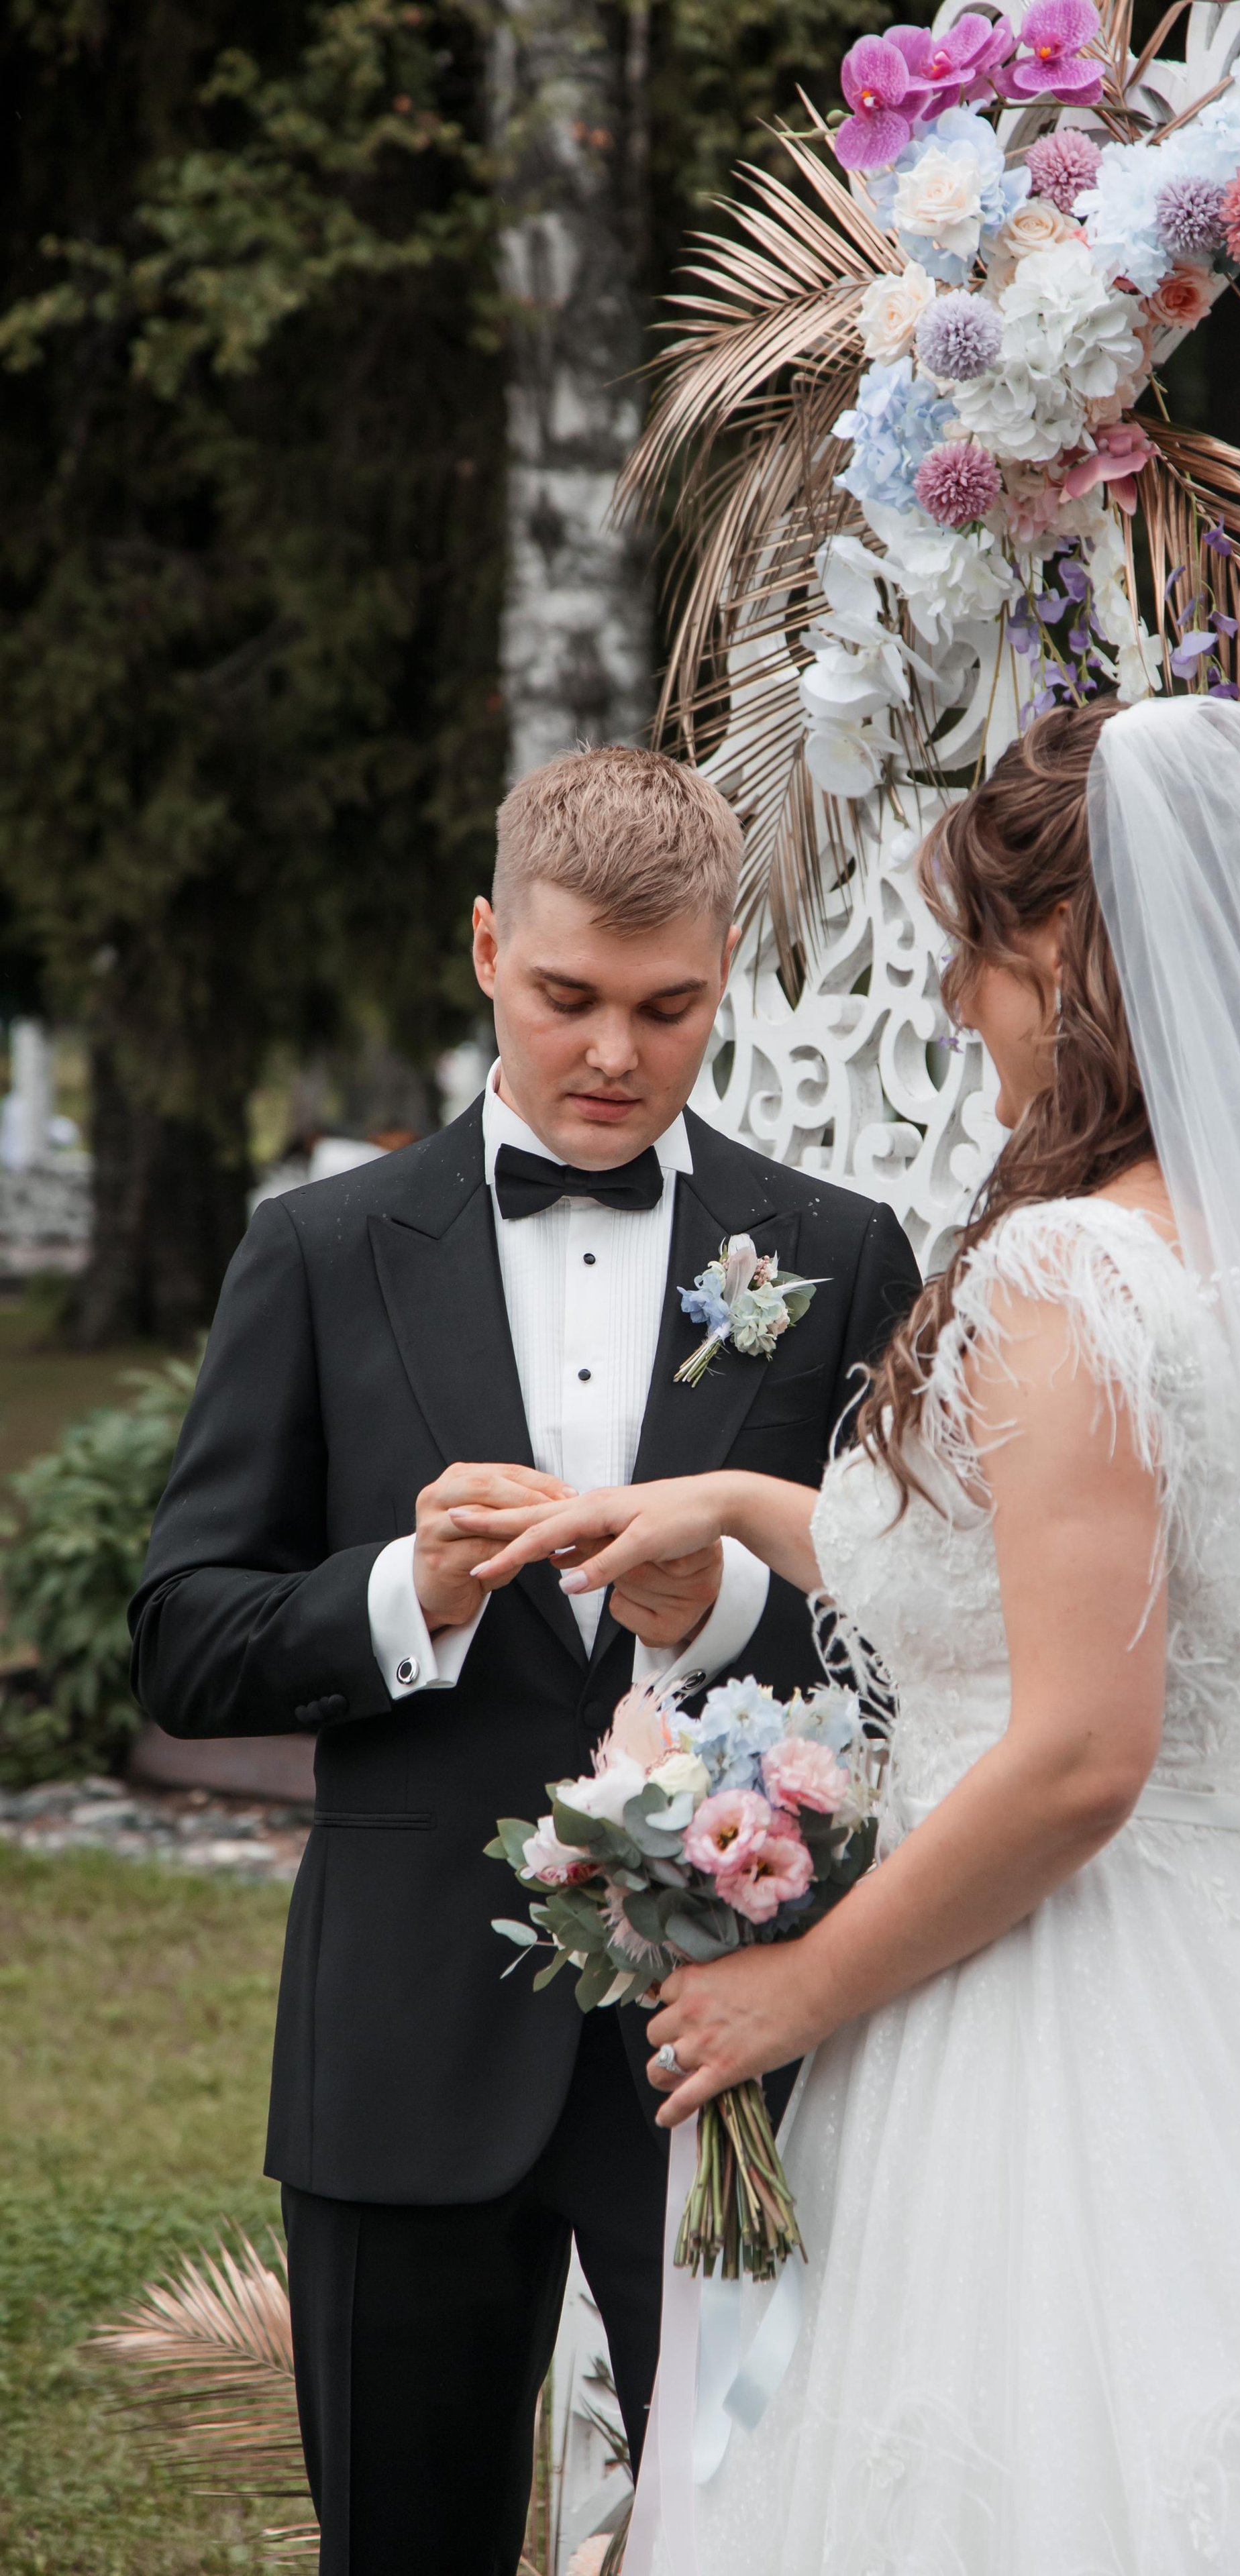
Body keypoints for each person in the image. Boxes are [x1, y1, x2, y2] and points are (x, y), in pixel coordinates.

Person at [464, 700, 1240, 2573]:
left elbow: (1076, 1750)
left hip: (1051, 1991)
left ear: (1073, 957)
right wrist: (732, 1508)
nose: (961, 998)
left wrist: (800, 1991)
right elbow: (1031, 1588)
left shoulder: (1068, 1275)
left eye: (978, 951)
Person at [127, 745, 919, 2576]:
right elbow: (183, 1635)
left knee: (771, 2539)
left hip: (729, 2050)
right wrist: (412, 1592)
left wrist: (718, 1613)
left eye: (669, 1008)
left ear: (726, 974)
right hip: (402, 2049)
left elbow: (918, 1644)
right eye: (568, 998)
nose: (617, 1056)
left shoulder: (834, 1254)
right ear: (489, 947)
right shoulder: (319, 1252)